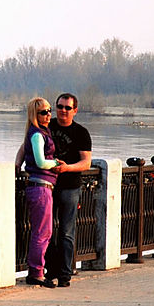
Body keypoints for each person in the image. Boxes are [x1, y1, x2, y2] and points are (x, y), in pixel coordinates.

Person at [15, 93, 92, 286]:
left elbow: (86, 162)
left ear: (75, 110)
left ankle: (64, 274)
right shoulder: (47, 127)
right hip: (46, 187)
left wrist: (66, 167)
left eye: (67, 108)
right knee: (45, 233)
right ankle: (47, 270)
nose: (61, 111)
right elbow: (27, 146)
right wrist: (17, 163)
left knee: (65, 232)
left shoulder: (81, 132)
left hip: (69, 187)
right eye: (59, 107)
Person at [15, 97, 62, 287]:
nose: (49, 114)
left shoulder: (40, 132)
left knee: (44, 232)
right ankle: (36, 273)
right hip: (40, 187)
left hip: (43, 187)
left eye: (50, 110)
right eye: (44, 112)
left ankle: (37, 271)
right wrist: (57, 163)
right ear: (35, 114)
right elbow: (41, 162)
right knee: (42, 233)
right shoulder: (36, 134)